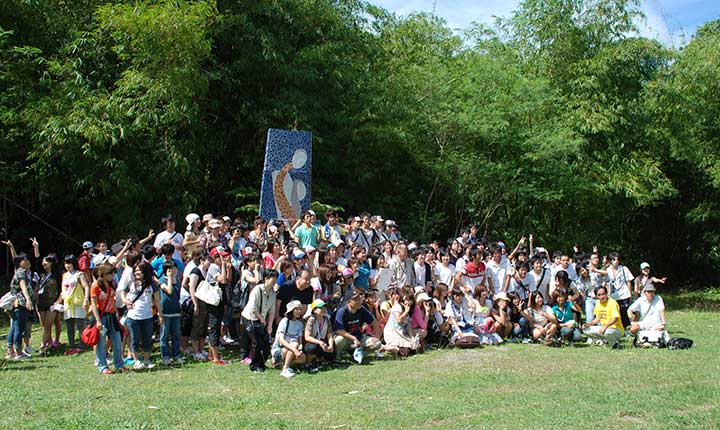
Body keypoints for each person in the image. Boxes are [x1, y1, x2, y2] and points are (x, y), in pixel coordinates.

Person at [121, 262, 159, 369]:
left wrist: (160, 315)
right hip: (133, 316)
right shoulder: (131, 284)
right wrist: (125, 301)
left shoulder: (152, 286)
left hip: (147, 316)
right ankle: (136, 360)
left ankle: (147, 360)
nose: (137, 272)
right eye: (136, 270)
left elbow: (157, 301)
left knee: (147, 339)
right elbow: (122, 293)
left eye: (139, 270)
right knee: (134, 339)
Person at [90, 264, 125, 374]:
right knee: (101, 343)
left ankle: (119, 364)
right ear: (104, 274)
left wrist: (116, 314)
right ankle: (103, 366)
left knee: (117, 341)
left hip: (112, 316)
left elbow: (113, 300)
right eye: (110, 273)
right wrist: (98, 321)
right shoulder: (95, 286)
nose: (113, 275)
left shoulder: (112, 284)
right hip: (101, 316)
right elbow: (94, 305)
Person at [333, 289, 386, 363]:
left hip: (359, 337)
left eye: (359, 298)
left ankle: (357, 354)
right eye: (355, 299)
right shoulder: (342, 311)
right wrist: (353, 338)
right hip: (346, 339)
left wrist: (377, 337)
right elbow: (338, 330)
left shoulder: (361, 309)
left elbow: (374, 322)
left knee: (377, 343)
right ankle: (337, 358)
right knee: (338, 340)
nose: (359, 301)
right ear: (348, 301)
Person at [241, 269, 278, 373]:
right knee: (257, 343)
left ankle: (261, 363)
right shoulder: (258, 289)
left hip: (262, 321)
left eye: (276, 279)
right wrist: (261, 318)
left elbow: (272, 311)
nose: (275, 281)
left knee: (265, 343)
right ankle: (254, 366)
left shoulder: (273, 293)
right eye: (273, 279)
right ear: (266, 279)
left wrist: (270, 324)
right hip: (250, 318)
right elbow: (253, 307)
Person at [5, 253, 34, 360]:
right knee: (19, 328)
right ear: (19, 263)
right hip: (20, 303)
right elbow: (23, 286)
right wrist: (28, 299)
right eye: (24, 259)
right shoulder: (21, 272)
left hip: (15, 304)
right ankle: (19, 353)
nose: (27, 261)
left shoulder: (19, 272)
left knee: (14, 328)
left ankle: (11, 351)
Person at [61, 254, 90, 355]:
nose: (67, 265)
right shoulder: (64, 275)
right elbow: (63, 290)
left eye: (69, 263)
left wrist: (86, 299)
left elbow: (86, 287)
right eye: (65, 263)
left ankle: (82, 344)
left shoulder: (79, 274)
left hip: (78, 302)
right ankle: (71, 345)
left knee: (80, 324)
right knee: (69, 324)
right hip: (68, 303)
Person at [272, 300, 307, 378]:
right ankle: (285, 368)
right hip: (281, 349)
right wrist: (295, 350)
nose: (298, 311)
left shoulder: (300, 324)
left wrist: (300, 350)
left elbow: (300, 341)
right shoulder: (285, 321)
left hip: (294, 349)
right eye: (296, 309)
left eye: (300, 309)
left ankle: (282, 364)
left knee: (303, 358)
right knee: (294, 344)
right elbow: (281, 340)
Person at [158, 261, 184, 365]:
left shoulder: (177, 280)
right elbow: (169, 291)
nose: (175, 271)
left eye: (175, 268)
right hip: (166, 312)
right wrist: (169, 278)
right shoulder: (162, 280)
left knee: (176, 335)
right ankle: (165, 356)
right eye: (172, 269)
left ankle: (176, 355)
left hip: (176, 311)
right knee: (164, 335)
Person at [605, 252, 634, 330]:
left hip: (624, 294)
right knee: (615, 312)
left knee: (624, 312)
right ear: (610, 261)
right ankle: (617, 327)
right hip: (612, 295)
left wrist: (630, 294)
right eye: (614, 259)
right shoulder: (607, 270)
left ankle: (625, 327)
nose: (616, 261)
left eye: (618, 259)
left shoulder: (624, 269)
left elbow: (628, 281)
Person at [304, 299, 335, 364]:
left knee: (332, 351)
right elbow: (307, 337)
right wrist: (320, 342)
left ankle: (320, 360)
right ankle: (309, 362)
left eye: (324, 307)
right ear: (314, 310)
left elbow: (329, 334)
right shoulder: (310, 320)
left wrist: (331, 345)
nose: (324, 309)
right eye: (321, 308)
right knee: (312, 348)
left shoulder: (327, 319)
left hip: (322, 341)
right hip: (312, 342)